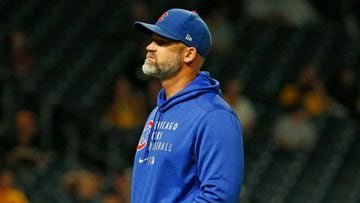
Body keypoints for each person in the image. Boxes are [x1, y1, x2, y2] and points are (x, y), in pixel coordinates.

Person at [131, 8, 244, 202]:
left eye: (161, 42)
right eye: (152, 39)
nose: (150, 46)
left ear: (189, 54)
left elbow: (218, 198)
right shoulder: (158, 111)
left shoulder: (214, 116)